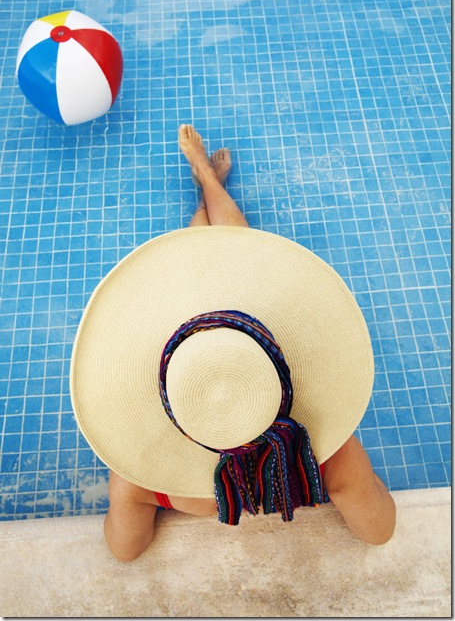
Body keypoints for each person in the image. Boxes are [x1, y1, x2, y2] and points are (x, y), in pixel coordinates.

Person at [71, 125, 396, 562]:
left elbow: (125, 549)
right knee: (232, 253)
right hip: (292, 445)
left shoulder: (141, 478)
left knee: (199, 257)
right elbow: (379, 529)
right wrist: (347, 460)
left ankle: (206, 184)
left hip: (174, 456)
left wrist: (126, 474)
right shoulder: (327, 457)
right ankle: (208, 181)